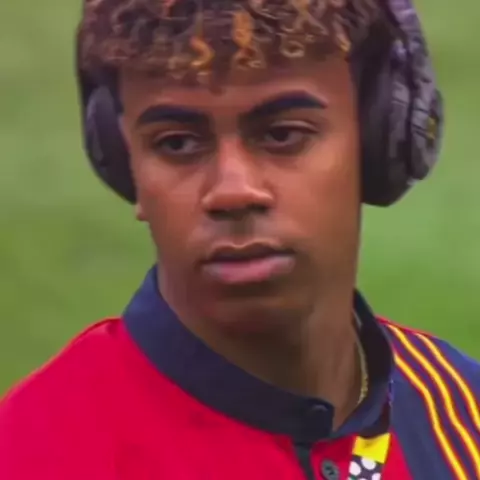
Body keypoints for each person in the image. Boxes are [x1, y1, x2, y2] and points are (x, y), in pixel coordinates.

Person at [1, 0, 479, 478]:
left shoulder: (464, 413)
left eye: (283, 134)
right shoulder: (31, 456)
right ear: (126, 162)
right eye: (177, 143)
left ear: (376, 142)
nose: (233, 191)